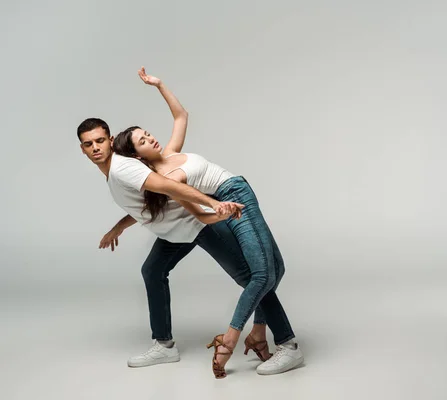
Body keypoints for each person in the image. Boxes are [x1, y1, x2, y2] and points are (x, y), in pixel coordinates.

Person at [111, 67, 304, 378]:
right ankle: (280, 345)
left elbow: (181, 116)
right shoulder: (168, 181)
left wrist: (160, 85)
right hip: (233, 200)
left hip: (238, 190)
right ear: (138, 157)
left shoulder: (171, 153)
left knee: (275, 269)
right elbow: (197, 213)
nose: (152, 138)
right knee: (262, 273)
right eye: (144, 141)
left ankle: (258, 333)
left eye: (147, 133)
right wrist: (221, 211)